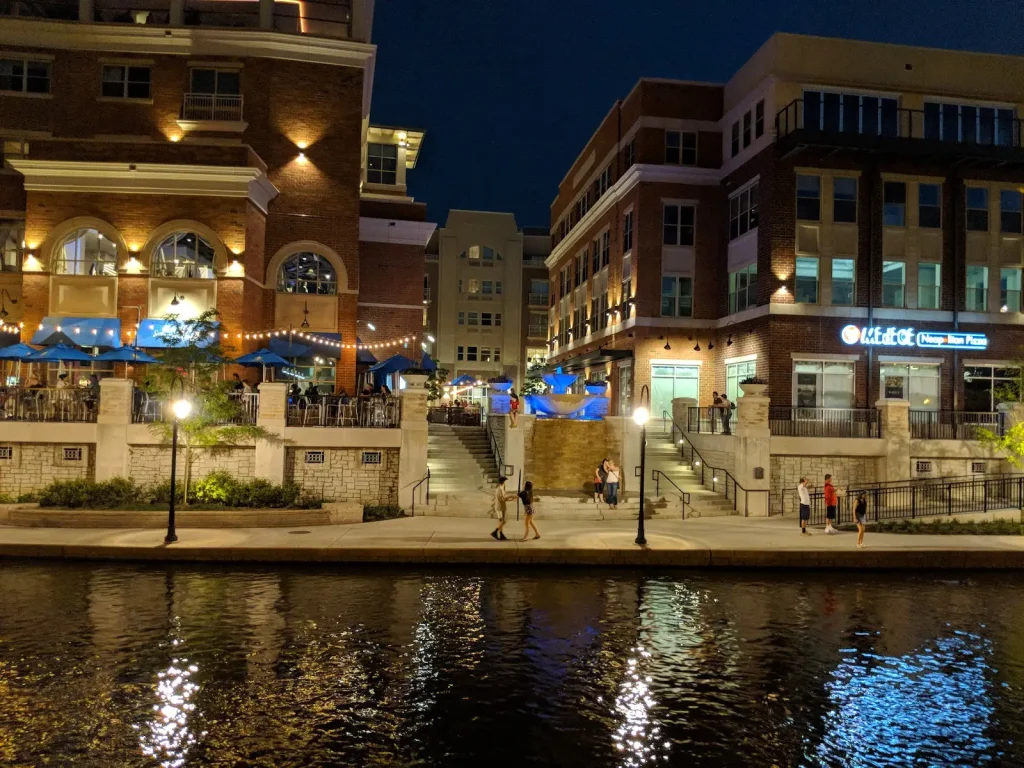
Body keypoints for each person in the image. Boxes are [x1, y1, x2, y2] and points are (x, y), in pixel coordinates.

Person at [490, 476, 514, 540]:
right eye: (506, 481)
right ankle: (495, 532)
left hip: (501, 506)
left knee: (502, 521)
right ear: (503, 482)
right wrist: (511, 497)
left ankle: (501, 534)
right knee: (503, 521)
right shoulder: (500, 489)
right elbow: (503, 499)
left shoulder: (501, 488)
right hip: (500, 507)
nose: (506, 483)